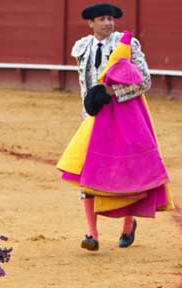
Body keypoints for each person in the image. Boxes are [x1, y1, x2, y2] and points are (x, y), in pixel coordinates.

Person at [69, 3, 151, 251]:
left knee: (124, 174)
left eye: (110, 18)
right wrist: (90, 107)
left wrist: (113, 92)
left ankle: (128, 224)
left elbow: (145, 81)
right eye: (102, 19)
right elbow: (86, 86)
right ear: (91, 23)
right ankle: (91, 234)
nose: (107, 23)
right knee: (88, 174)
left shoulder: (127, 46)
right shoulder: (82, 48)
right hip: (92, 120)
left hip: (123, 119)